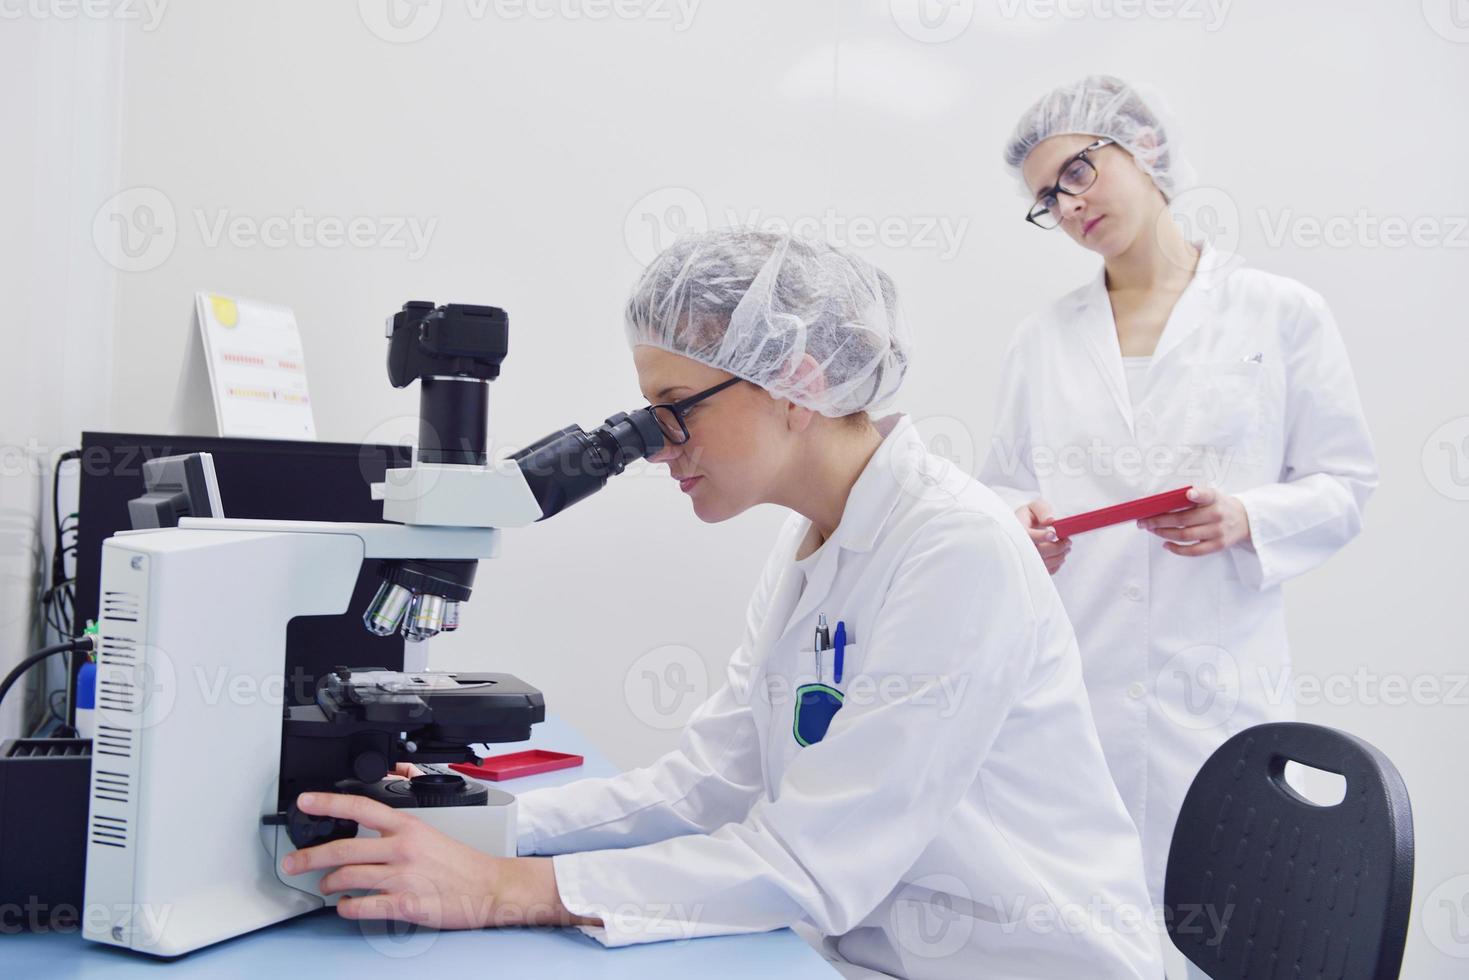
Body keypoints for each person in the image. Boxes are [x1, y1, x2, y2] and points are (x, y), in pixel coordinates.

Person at [287, 229, 1163, 978]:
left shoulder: (955, 548)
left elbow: (810, 864)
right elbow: (708, 782)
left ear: (794, 382)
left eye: (675, 409)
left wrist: (505, 890)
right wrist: (475, 820)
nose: (657, 448)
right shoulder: (817, 542)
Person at [981, 75, 1379, 948]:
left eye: (1080, 171)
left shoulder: (1279, 313)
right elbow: (1001, 485)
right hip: (1076, 687)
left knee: (1224, 924)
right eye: (1048, 197)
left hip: (1218, 686)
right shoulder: (1040, 340)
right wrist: (1021, 526)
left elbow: (1345, 483)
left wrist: (1246, 517)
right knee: (1086, 931)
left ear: (1144, 147)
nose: (1070, 203)